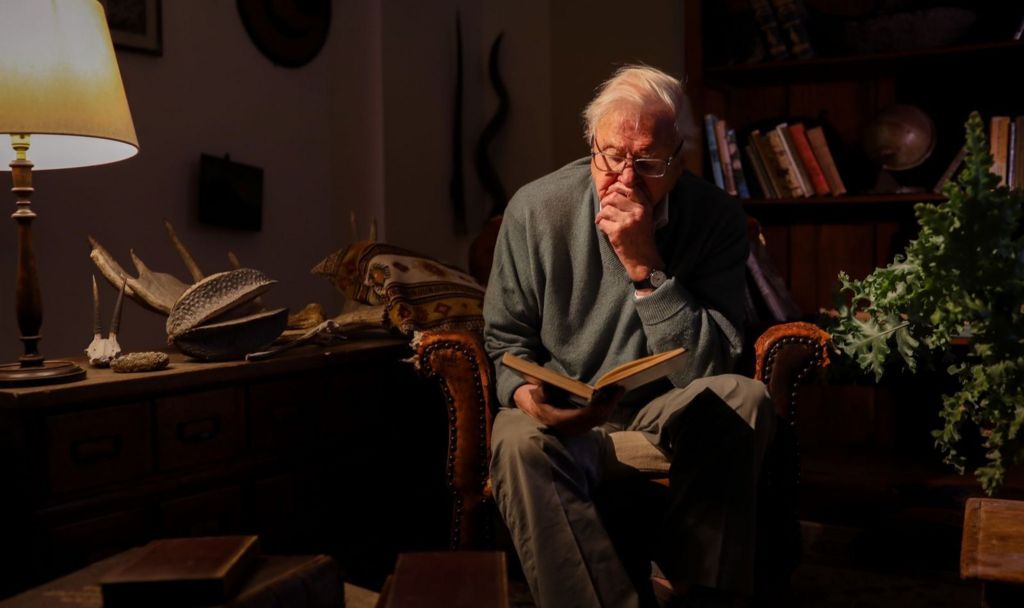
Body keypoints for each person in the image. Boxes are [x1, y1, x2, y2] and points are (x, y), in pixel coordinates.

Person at [483, 64, 775, 608]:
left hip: (666, 414)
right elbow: (506, 342)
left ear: (679, 157)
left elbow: (716, 364)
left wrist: (645, 266)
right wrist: (531, 399)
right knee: (514, 436)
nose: (625, 177)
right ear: (592, 142)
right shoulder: (534, 209)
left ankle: (682, 587)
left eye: (647, 162)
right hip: (569, 421)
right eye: (612, 155)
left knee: (745, 398)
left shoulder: (716, 218)